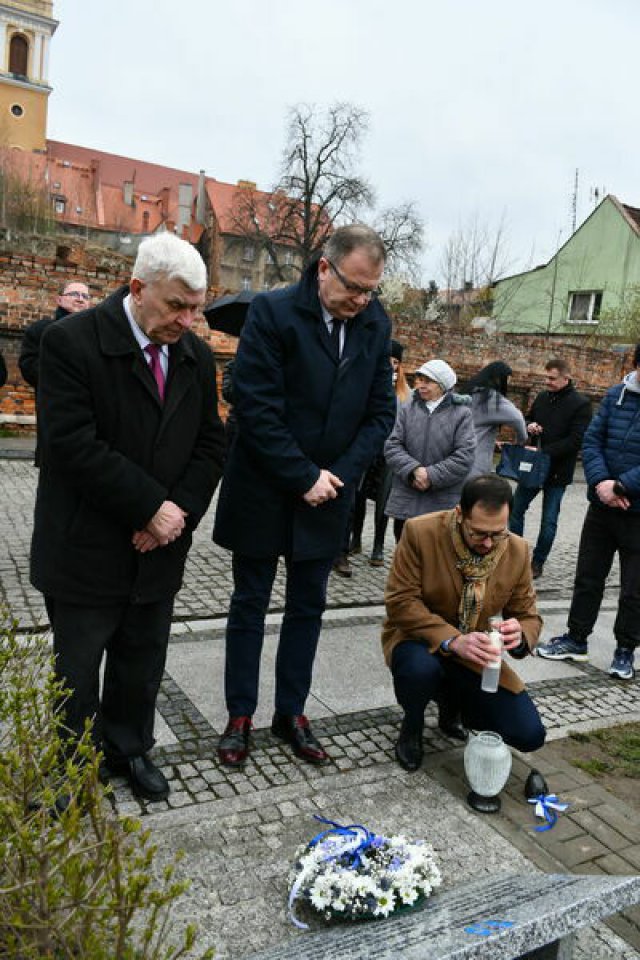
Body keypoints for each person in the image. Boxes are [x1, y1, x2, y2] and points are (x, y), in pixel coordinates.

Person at [30, 233, 226, 802]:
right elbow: (70, 444)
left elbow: (211, 446)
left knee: (141, 661)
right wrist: (148, 506)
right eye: (176, 306)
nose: (188, 320)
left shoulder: (192, 354)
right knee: (78, 669)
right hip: (85, 545)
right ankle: (71, 764)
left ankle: (129, 748)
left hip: (158, 547)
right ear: (138, 289)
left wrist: (175, 515)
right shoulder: (72, 342)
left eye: (197, 307)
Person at [213, 224, 396, 768]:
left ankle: (291, 712)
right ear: (323, 268)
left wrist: (335, 475)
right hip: (264, 488)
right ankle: (239, 715)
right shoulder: (270, 314)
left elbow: (380, 412)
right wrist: (303, 475)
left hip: (330, 494)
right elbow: (257, 408)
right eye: (353, 287)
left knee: (307, 609)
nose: (361, 301)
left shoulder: (374, 323)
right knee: (249, 605)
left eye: (371, 291)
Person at [382, 474, 546, 773]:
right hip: (417, 641)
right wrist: (453, 640)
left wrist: (520, 634)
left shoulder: (517, 549)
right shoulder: (420, 531)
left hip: (477, 653)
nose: (488, 543)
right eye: (479, 533)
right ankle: (413, 723)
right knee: (421, 670)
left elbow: (528, 615)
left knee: (529, 734)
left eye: (497, 534)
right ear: (460, 514)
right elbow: (400, 602)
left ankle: (452, 707)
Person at [538, 347, 640, 680]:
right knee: (587, 578)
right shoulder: (616, 396)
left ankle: (625, 650)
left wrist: (621, 487)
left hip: (636, 511)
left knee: (633, 589)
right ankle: (576, 638)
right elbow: (593, 441)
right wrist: (602, 484)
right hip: (602, 507)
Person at [508, 357, 591, 579]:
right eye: (547, 377)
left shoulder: (581, 404)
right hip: (533, 468)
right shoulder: (543, 397)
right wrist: (530, 426)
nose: (548, 382)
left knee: (549, 520)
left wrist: (545, 452)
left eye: (552, 378)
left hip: (557, 471)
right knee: (515, 511)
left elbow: (576, 441)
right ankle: (516, 557)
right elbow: (528, 418)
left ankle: (538, 561)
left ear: (566, 378)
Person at [384, 358, 476, 544]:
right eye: (419, 380)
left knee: (435, 560)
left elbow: (464, 456)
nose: (420, 385)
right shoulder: (408, 408)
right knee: (404, 554)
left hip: (441, 503)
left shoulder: (461, 414)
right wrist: (414, 470)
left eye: (427, 381)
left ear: (442, 385)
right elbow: (392, 446)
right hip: (407, 498)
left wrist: (430, 476)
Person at [346, 339, 411, 569]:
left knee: (384, 499)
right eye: (388, 361)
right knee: (360, 495)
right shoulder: (370, 383)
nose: (392, 366)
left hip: (390, 452)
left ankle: (378, 545)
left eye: (396, 362)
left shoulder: (406, 394)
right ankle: (355, 539)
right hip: (369, 447)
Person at [460, 360, 527, 477]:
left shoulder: (467, 393)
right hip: (475, 462)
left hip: (454, 457)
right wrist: (520, 441)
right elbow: (518, 418)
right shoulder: (493, 400)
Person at [19, 280, 92, 388]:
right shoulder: (40, 329)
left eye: (85, 296)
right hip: (54, 399)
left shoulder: (96, 334)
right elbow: (29, 367)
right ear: (59, 300)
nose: (80, 299)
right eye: (74, 294)